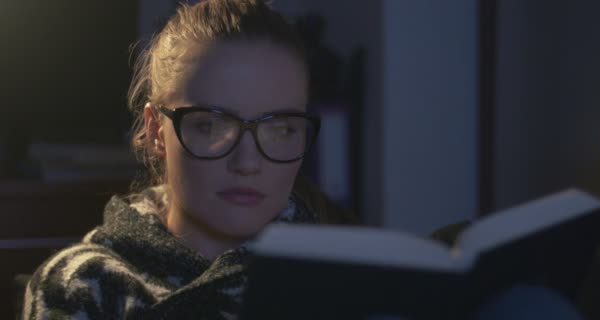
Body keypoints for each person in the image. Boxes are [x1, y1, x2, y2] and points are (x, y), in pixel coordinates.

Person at [21, 1, 355, 318]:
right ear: (156, 131)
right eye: (211, 126)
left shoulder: (342, 278)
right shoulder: (84, 284)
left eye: (279, 129)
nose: (247, 162)